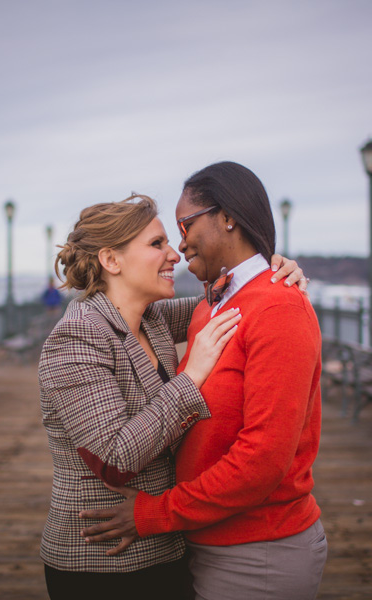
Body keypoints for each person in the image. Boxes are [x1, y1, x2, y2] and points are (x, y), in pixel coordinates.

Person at [38, 193, 308, 600]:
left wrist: (272, 269)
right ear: (111, 260)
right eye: (157, 244)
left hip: (167, 548)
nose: (175, 255)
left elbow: (234, 301)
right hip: (104, 564)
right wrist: (192, 375)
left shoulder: (151, 319)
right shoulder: (76, 337)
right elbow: (115, 457)